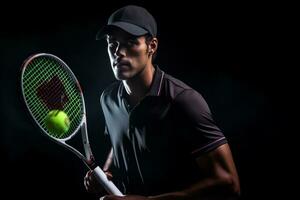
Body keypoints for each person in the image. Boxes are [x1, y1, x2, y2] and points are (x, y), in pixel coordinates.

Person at [84, 5, 240, 200]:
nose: (119, 52)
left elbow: (228, 183)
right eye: (112, 43)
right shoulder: (108, 99)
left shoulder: (183, 100)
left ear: (152, 46)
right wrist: (106, 172)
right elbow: (120, 140)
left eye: (131, 42)